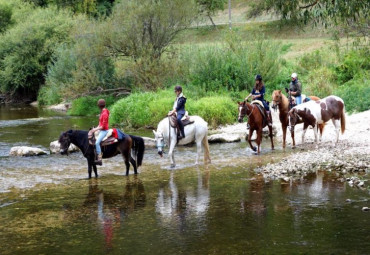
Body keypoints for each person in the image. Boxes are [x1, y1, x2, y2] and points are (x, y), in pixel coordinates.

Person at [91, 99, 109, 165]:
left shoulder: (104, 113)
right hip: (101, 129)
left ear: (99, 106)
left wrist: (95, 129)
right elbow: (100, 123)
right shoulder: (103, 112)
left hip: (104, 131)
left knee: (97, 143)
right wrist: (96, 128)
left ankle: (99, 158)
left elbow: (103, 126)